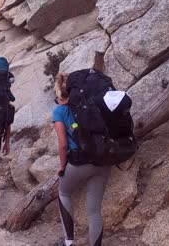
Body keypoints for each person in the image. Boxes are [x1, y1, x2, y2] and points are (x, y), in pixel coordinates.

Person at [53, 72, 110, 246]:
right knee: (94, 211)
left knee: (64, 192)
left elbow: (63, 144)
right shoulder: (91, 105)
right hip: (102, 160)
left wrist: (62, 167)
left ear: (59, 94)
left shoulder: (60, 111)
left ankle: (69, 242)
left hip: (80, 161)